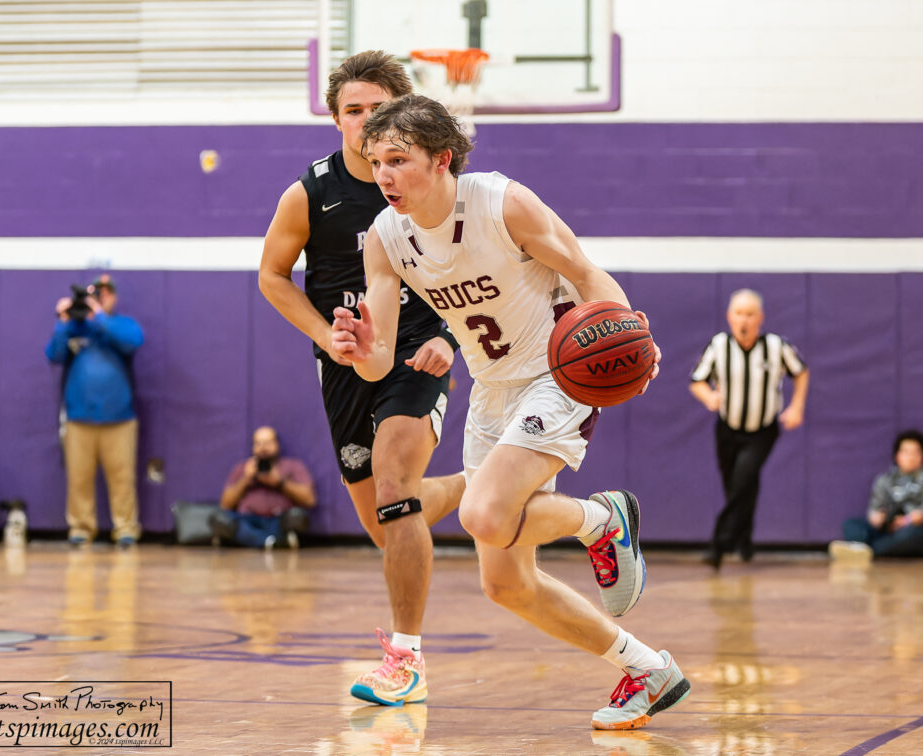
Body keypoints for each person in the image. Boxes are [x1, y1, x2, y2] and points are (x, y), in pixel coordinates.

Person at [332, 93, 689, 731]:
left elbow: (583, 270)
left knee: (483, 513)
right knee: (505, 583)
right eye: (373, 160)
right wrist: (358, 350)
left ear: (442, 159)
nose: (382, 174)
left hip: (559, 374)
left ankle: (603, 518)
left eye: (397, 158)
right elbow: (379, 358)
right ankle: (647, 669)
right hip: (492, 389)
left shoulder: (501, 201)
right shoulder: (387, 236)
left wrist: (630, 332)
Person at [259, 51, 466, 706]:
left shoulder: (431, 184)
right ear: (336, 119)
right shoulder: (311, 192)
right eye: (353, 110)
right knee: (388, 523)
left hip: (416, 347)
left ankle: (406, 660)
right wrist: (326, 336)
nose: (365, 121)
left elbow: (481, 273)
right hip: (346, 356)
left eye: (378, 109)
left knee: (397, 486)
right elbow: (271, 276)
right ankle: (481, 484)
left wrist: (449, 338)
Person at [690, 288, 809, 568]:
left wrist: (797, 407)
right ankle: (745, 541)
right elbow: (697, 380)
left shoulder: (776, 346)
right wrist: (709, 396)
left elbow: (801, 372)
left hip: (762, 431)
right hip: (728, 429)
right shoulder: (719, 345)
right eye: (739, 314)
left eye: (750, 314)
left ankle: (718, 546)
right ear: (730, 317)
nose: (744, 320)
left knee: (742, 482)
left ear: (760, 318)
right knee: (739, 486)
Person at [45, 273, 144, 547]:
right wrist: (64, 321)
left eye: (106, 293)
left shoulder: (121, 325)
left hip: (119, 419)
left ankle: (125, 528)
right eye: (96, 293)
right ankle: (81, 528)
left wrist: (98, 316)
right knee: (79, 479)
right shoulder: (75, 329)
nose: (101, 297)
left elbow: (134, 341)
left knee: (123, 478)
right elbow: (53, 354)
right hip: (79, 419)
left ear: (113, 297)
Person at [212, 426, 316, 549]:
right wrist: (245, 480)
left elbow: (310, 500)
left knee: (298, 516)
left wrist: (279, 483)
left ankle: (255, 540)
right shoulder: (242, 469)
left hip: (278, 520)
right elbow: (225, 505)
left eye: (267, 443)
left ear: (277, 444)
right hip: (247, 520)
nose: (263, 448)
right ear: (252, 447)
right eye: (258, 443)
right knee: (220, 518)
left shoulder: (293, 466)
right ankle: (271, 542)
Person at [830, 429, 923, 561]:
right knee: (851, 525)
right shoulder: (885, 480)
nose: (911, 457)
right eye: (906, 452)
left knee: (910, 535)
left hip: (912, 531)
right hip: (888, 532)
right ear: (897, 455)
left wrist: (907, 520)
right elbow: (875, 509)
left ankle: (867, 551)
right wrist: (876, 518)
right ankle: (865, 548)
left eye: (915, 452)